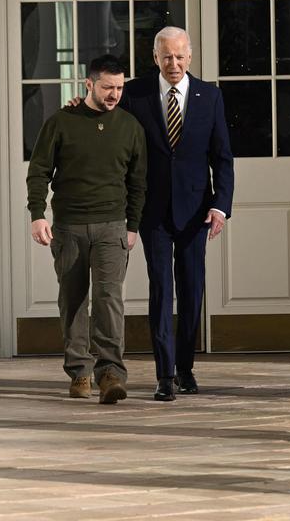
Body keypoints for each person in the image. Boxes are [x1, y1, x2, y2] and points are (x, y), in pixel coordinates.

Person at [121, 27, 234, 402]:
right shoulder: (134, 94)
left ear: (191, 57)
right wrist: (79, 106)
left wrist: (220, 206)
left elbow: (222, 157)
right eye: (167, 56)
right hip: (152, 212)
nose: (174, 64)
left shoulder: (210, 96)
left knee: (191, 291)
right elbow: (108, 129)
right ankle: (163, 375)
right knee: (160, 291)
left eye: (180, 56)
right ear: (155, 57)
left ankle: (186, 368)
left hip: (196, 213)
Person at [26, 54, 146, 404]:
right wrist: (37, 213)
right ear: (88, 84)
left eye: (120, 88)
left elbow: (138, 182)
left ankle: (110, 374)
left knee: (109, 300)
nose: (114, 94)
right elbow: (39, 171)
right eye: (107, 87)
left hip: (113, 227)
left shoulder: (129, 127)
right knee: (73, 301)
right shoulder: (61, 123)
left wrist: (133, 225)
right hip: (68, 228)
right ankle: (79, 373)